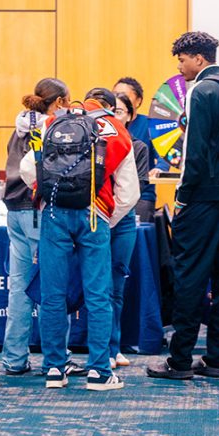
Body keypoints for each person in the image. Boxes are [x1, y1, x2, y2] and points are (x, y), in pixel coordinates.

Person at [20, 86, 139, 391]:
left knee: (53, 294)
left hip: (54, 213)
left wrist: (49, 196)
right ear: (109, 106)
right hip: (94, 215)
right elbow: (130, 193)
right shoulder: (118, 130)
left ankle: (54, 368)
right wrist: (106, 217)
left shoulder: (53, 122)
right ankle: (99, 371)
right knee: (99, 294)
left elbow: (27, 169)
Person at [147, 31, 219, 381]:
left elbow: (194, 153)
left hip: (202, 198)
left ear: (199, 58)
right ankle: (217, 360)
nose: (179, 66)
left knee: (189, 276)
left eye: (182, 59)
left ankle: (180, 361)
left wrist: (183, 197)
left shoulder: (200, 91)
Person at [0, 79, 52, 376]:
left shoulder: (18, 127)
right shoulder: (49, 129)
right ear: (59, 102)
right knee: (50, 285)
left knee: (19, 286)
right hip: (37, 210)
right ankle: (55, 358)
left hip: (14, 211)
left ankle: (14, 358)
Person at [85, 88, 138, 370]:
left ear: (129, 115)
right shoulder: (87, 136)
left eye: (119, 111)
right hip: (96, 216)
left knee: (116, 286)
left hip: (121, 218)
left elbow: (133, 193)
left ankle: (113, 347)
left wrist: (110, 218)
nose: (113, 116)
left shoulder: (134, 144)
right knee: (97, 288)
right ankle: (99, 349)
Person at [113, 78, 159, 221]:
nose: (118, 98)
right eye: (114, 94)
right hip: (111, 196)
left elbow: (164, 153)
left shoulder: (149, 124)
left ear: (138, 101)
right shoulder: (104, 126)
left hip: (141, 196)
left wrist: (160, 168)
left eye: (124, 95)